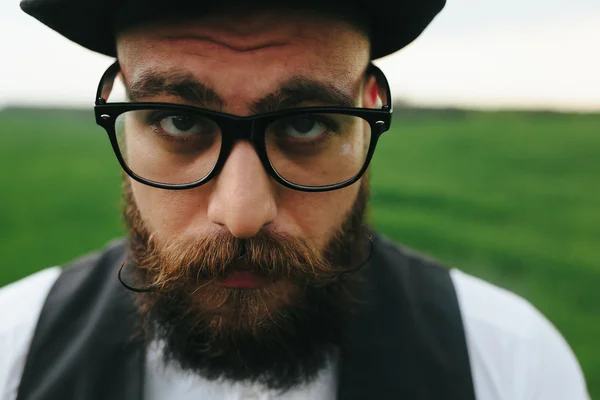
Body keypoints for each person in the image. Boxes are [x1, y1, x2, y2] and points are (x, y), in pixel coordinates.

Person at [0, 0, 591, 399]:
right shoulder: (12, 353)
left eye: (307, 125)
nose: (241, 213)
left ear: (371, 110)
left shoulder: (512, 367)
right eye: (179, 120)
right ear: (121, 105)